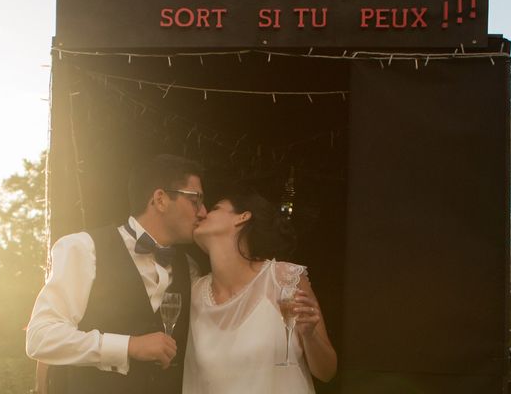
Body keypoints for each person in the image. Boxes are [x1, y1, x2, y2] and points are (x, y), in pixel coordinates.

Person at [26, 154, 207, 394]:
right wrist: (128, 346)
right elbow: (41, 337)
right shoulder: (82, 248)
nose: (203, 212)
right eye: (196, 200)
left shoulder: (189, 268)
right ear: (160, 199)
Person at [183, 186, 337, 393]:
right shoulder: (194, 293)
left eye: (215, 208)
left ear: (242, 217)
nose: (202, 214)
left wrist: (310, 336)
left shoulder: (283, 278)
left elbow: (326, 372)